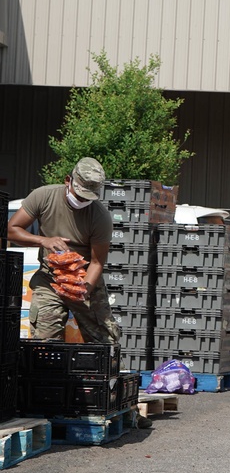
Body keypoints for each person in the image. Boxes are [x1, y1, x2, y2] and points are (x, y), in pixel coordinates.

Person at [7, 159, 149, 427]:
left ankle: (122, 406)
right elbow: (12, 230)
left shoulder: (100, 216)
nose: (82, 201)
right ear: (67, 181)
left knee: (105, 340)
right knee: (45, 344)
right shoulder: (43, 196)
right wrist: (44, 240)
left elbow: (97, 263)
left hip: (85, 280)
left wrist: (82, 289)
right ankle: (47, 404)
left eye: (89, 197)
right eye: (79, 194)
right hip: (49, 279)